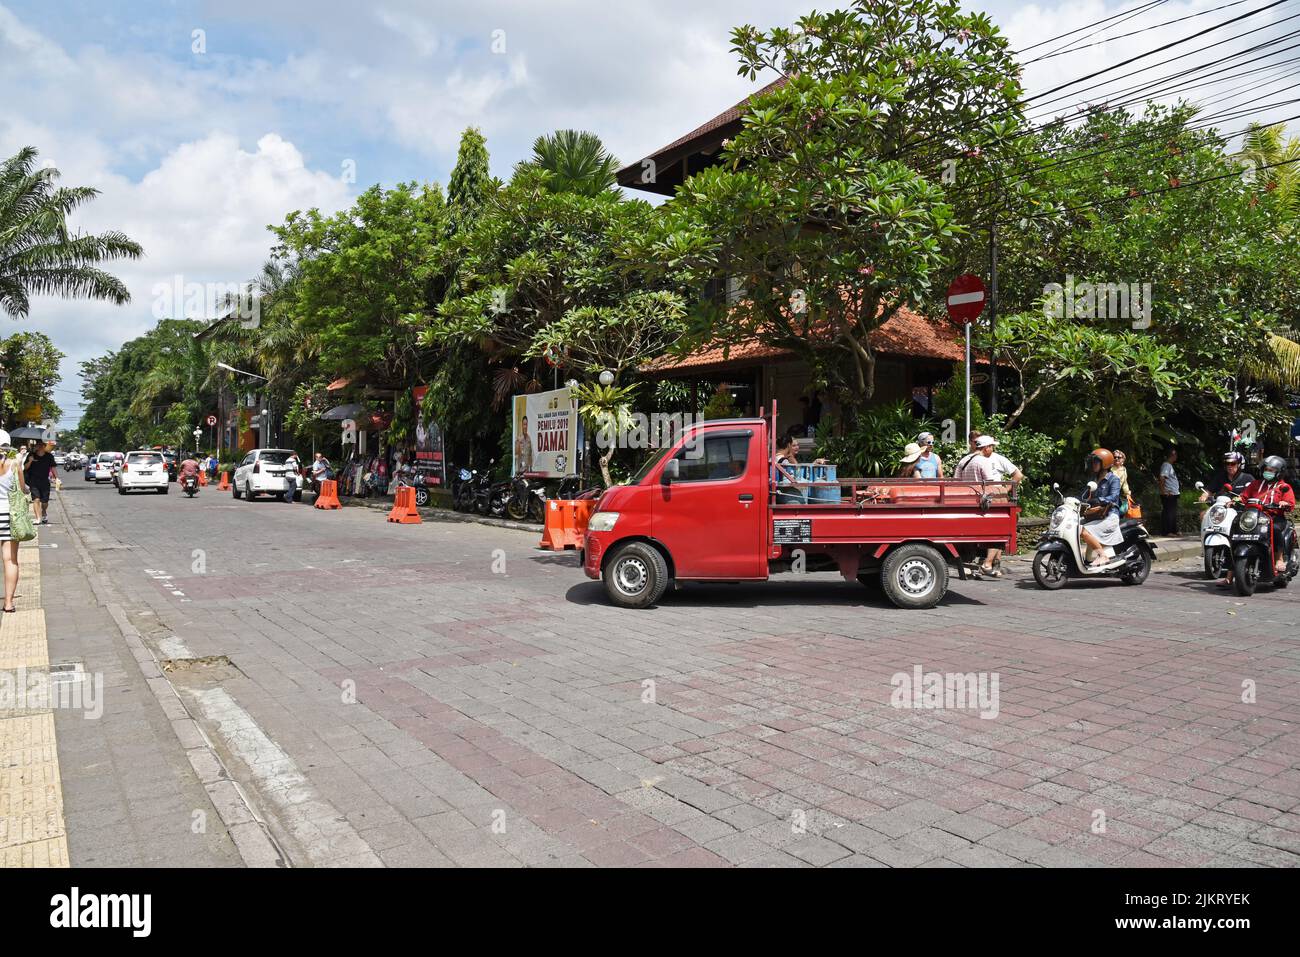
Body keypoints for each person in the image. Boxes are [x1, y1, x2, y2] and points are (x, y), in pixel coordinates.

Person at [957, 435, 1023, 576]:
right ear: (986, 448)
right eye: (991, 446)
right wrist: (1003, 492)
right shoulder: (983, 461)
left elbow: (956, 481)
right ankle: (987, 564)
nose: (992, 449)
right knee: (998, 533)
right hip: (985, 502)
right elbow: (990, 484)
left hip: (967, 503)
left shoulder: (963, 460)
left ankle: (990, 565)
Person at [1239, 456, 1295, 575]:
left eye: (1271, 470)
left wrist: (1283, 503)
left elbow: (1290, 504)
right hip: (1254, 516)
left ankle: (1279, 559)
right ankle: (1231, 569)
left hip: (1274, 517)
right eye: (1266, 469)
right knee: (1236, 526)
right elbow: (1244, 497)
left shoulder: (1283, 487)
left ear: (1279, 472)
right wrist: (1235, 500)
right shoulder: (1255, 484)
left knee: (1274, 529)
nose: (1267, 472)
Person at [1079, 448, 1125, 567]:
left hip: (1110, 516)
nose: (1093, 464)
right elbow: (1084, 496)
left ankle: (1103, 556)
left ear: (1104, 463)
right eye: (1093, 462)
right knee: (1075, 526)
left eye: (1096, 462)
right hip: (1097, 515)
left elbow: (1114, 497)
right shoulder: (1094, 481)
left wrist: (1099, 500)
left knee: (1084, 531)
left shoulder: (1113, 479)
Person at [0, 432, 29, 613]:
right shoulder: (14, 465)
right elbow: (23, 489)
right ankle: (9, 603)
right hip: (9, 516)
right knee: (10, 560)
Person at [23, 440, 55, 525]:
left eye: (42, 445)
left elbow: (53, 467)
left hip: (44, 481)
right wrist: (30, 461)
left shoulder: (49, 456)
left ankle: (44, 511)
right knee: (36, 499)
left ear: (45, 446)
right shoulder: (31, 455)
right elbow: (25, 468)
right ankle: (38, 518)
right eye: (38, 445)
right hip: (33, 481)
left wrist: (57, 478)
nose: (40, 447)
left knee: (45, 502)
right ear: (36, 446)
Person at [1158, 447, 1181, 536]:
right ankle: (1167, 531)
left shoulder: (1169, 465)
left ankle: (1173, 530)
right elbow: (1162, 478)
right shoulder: (1166, 465)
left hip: (1173, 493)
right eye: (1175, 455)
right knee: (1168, 513)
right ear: (1173, 455)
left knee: (1172, 512)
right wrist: (1163, 491)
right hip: (1169, 493)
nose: (1176, 457)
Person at [1112, 449, 1133, 514]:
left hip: (1117, 493)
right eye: (1115, 457)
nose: (1116, 459)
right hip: (1109, 493)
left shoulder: (1123, 469)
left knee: (1123, 510)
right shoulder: (1109, 468)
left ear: (1123, 459)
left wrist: (1127, 493)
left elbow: (1125, 482)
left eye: (1119, 457)